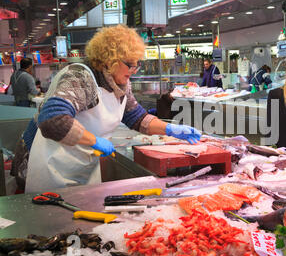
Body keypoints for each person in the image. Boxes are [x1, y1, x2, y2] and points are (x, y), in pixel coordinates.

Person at [17, 24, 201, 193]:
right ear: (109, 59)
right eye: (130, 64)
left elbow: (136, 118)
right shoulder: (80, 77)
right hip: (54, 167)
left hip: (84, 167)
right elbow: (52, 119)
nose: (134, 70)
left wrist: (170, 129)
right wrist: (94, 140)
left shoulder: (120, 82)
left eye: (137, 64)